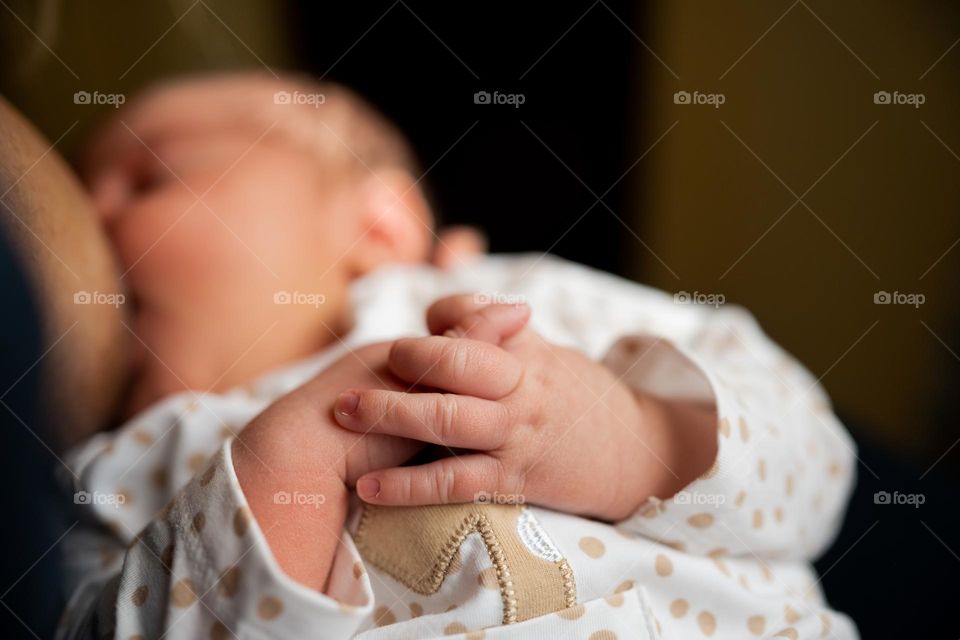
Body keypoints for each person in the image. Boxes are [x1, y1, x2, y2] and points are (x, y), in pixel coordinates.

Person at [58, 72, 857, 638]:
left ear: (378, 229)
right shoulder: (104, 483)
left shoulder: (512, 301)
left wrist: (634, 436)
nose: (92, 227)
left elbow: (813, 459)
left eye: (147, 178)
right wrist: (282, 462)